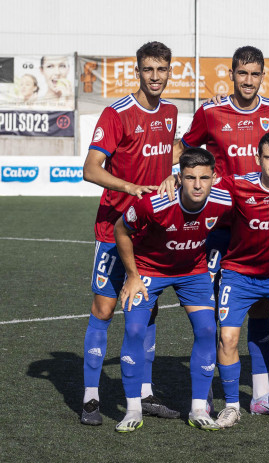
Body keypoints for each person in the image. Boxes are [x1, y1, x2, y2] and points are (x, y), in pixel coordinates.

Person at [174, 46, 269, 417]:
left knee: (258, 309)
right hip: (218, 227)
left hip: (258, 228)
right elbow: (186, 150)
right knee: (209, 313)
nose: (249, 81)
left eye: (255, 74)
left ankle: (259, 394)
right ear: (232, 74)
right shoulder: (211, 110)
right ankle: (205, 393)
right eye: (243, 74)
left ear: (262, 75)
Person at [81, 41, 179, 426]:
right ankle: (91, 397)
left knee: (147, 310)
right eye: (149, 69)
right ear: (137, 71)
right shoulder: (116, 112)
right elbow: (91, 169)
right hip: (113, 228)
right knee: (104, 310)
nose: (156, 77)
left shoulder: (170, 112)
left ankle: (145, 392)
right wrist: (129, 188)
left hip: (150, 232)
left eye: (162, 70)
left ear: (170, 72)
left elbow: (161, 154)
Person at [113, 148, 231, 432]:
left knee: (206, 331)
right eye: (190, 177)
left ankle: (198, 409)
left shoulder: (224, 200)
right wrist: (132, 275)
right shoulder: (154, 204)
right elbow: (120, 229)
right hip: (149, 271)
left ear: (215, 177)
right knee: (134, 331)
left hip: (193, 272)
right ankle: (132, 410)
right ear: (180, 178)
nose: (198, 185)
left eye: (204, 177)